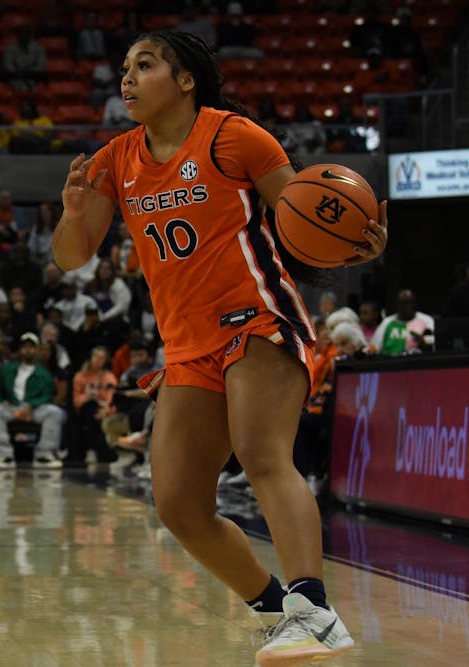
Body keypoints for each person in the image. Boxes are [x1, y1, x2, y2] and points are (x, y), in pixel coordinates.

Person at [51, 31, 388, 666]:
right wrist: (72, 214)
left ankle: (315, 612)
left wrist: (348, 243)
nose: (126, 79)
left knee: (263, 456)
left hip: (257, 320)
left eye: (144, 66)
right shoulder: (114, 160)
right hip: (186, 346)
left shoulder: (236, 136)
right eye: (123, 69)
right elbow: (71, 260)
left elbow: (301, 221)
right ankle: (275, 609)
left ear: (185, 80)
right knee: (177, 501)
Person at [0, 332, 64, 470]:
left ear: (37, 350)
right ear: (20, 349)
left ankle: (44, 455)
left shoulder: (44, 373)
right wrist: (2, 401)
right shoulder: (6, 369)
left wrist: (31, 406)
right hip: (11, 406)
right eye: (24, 346)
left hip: (34, 409)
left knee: (55, 412)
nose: (28, 350)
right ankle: (4, 456)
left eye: (31, 347)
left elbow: (48, 396)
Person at [371, 289, 434, 355]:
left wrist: (423, 341)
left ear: (415, 303)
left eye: (409, 302)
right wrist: (364, 352)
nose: (406, 306)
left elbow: (434, 345)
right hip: (390, 362)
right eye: (403, 303)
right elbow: (373, 346)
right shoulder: (387, 322)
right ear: (397, 304)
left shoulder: (427, 320)